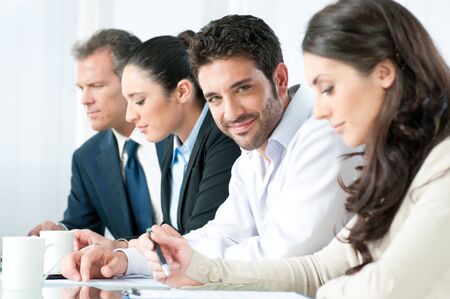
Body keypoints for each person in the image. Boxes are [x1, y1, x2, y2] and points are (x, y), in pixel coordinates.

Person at [143, 0, 450, 298]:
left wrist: (324, 290)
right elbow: (317, 270)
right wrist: (202, 270)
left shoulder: (443, 164)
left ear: (383, 73)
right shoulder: (396, 167)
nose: (319, 111)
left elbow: (383, 289)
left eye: (328, 88)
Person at [60, 15, 359, 281]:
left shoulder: (325, 133)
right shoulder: (254, 150)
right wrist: (126, 259)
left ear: (279, 79)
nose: (230, 113)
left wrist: (193, 265)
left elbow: (285, 252)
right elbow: (223, 235)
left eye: (243, 88)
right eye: (215, 98)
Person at [70, 32, 241, 251]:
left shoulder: (223, 138)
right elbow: (172, 235)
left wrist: (123, 248)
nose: (131, 115)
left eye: (139, 101)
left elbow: (197, 242)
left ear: (182, 92)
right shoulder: (175, 146)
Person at [28, 29, 164, 244]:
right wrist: (61, 232)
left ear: (133, 80)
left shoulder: (176, 136)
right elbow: (82, 226)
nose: (85, 99)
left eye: (97, 86)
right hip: (129, 273)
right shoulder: (87, 158)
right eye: (81, 88)